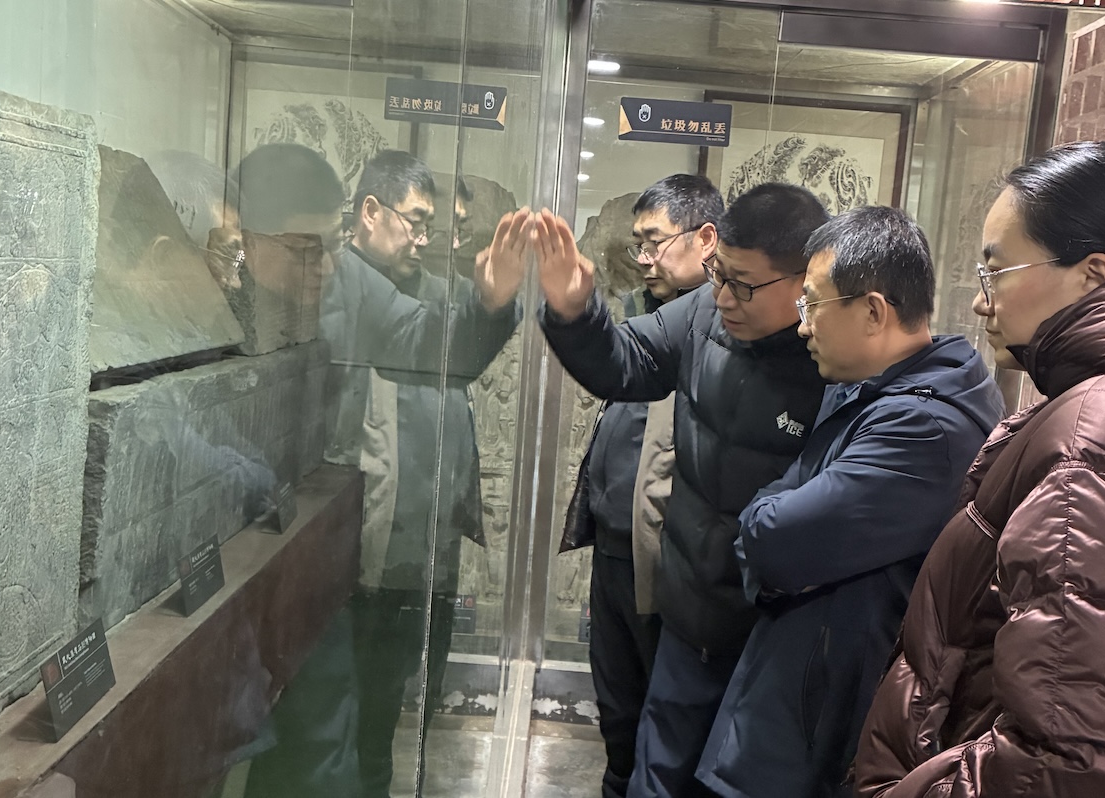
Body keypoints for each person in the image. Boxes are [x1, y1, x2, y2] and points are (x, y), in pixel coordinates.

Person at [853, 140, 1105, 797]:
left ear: (1093, 276)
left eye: (996, 272)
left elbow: (1066, 758)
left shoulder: (1094, 431)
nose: (982, 303)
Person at [525, 184, 832, 798]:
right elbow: (627, 361)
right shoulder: (701, 315)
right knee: (654, 776)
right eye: (720, 274)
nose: (723, 297)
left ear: (807, 281)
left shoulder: (837, 358)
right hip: (689, 620)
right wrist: (574, 310)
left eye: (745, 285)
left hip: (775, 640)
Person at [694, 207, 1004, 798]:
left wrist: (766, 521)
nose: (802, 326)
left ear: (873, 311)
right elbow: (786, 513)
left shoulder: (922, 425)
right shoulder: (875, 389)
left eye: (812, 304)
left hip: (827, 725)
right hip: (805, 691)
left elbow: (774, 541)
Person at [344, 150, 522, 798]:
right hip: (368, 541)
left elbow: (464, 346)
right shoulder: (347, 284)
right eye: (417, 223)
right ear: (371, 211)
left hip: (429, 540)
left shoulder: (436, 292)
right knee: (359, 708)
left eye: (444, 228)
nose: (428, 240)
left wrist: (493, 299)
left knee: (410, 696)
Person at [559, 174, 723, 798]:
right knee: (619, 715)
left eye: (656, 242)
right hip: (615, 548)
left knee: (666, 730)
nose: (645, 258)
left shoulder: (722, 331)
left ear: (706, 239)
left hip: (671, 564)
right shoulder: (644, 317)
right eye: (640, 244)